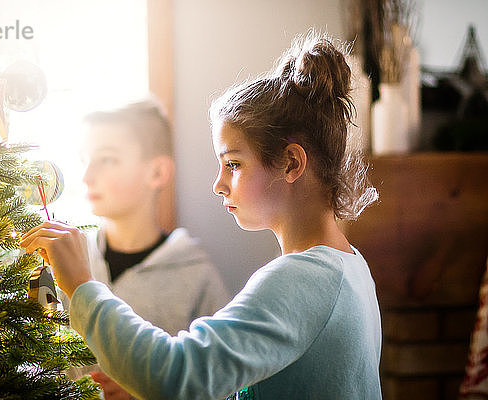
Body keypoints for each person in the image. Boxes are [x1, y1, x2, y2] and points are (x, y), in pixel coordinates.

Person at [21, 32, 382, 399]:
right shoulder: (350, 266)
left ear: (291, 163)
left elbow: (178, 375)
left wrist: (82, 286)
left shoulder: (301, 279)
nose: (219, 185)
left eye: (234, 164)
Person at [64, 100, 229, 398]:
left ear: (157, 173)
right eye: (84, 159)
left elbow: (217, 383)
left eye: (107, 160)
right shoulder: (70, 260)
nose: (87, 176)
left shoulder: (197, 278)